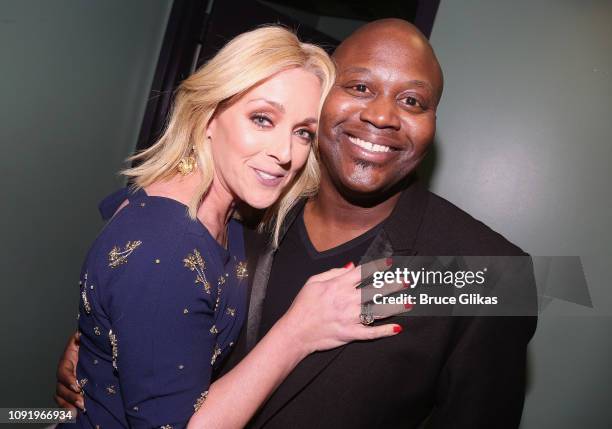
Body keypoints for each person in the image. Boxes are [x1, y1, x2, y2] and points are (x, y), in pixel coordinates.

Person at [57, 19, 537, 428]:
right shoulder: (252, 209)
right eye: (360, 87)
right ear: (323, 102)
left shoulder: (486, 270)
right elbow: (156, 283)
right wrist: (102, 346)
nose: (383, 115)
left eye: (413, 101)